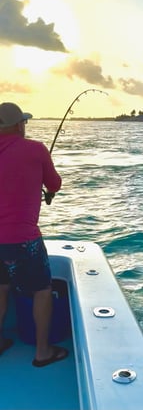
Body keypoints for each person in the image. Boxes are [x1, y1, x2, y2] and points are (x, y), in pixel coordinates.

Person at [0, 102, 68, 367]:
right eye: (24, 123)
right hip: (22, 240)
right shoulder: (35, 149)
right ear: (18, 125)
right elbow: (55, 184)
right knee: (42, 290)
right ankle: (43, 352)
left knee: (1, 287)